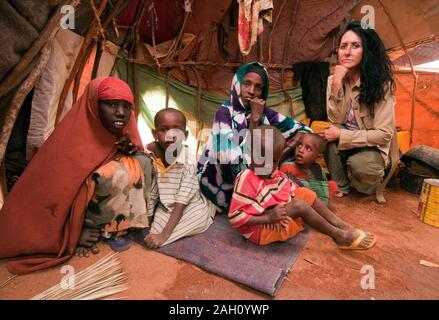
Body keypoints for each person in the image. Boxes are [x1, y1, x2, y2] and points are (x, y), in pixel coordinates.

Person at [0, 77, 151, 274]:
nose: (121, 113)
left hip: (99, 213)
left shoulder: (122, 139)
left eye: (126, 106)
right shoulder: (68, 143)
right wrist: (75, 232)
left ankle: (116, 228)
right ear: (93, 104)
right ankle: (86, 228)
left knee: (142, 162)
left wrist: (128, 150)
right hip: (72, 222)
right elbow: (52, 199)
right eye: (111, 104)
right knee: (112, 173)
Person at [229, 125, 376, 249]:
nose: (267, 166)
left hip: (273, 217)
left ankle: (342, 225)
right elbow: (235, 218)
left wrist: (287, 203)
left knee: (305, 193)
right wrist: (268, 217)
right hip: (259, 230)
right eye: (262, 160)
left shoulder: (274, 173)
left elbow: (288, 190)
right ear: (251, 154)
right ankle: (339, 235)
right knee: (299, 205)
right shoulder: (246, 178)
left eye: (273, 161)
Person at [198, 62, 311, 212]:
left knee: (293, 179)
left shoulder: (264, 111)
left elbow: (303, 130)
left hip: (258, 174)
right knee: (287, 193)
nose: (251, 91)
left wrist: (280, 156)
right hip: (225, 182)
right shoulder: (225, 113)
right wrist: (254, 121)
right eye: (246, 84)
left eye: (258, 87)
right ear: (237, 84)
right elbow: (232, 160)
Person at [320, 22, 397, 197]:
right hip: (348, 138)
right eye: (343, 46)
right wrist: (337, 84)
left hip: (373, 146)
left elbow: (384, 134)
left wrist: (343, 135)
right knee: (326, 137)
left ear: (366, 51)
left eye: (355, 46)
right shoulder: (334, 79)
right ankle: (341, 185)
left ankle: (370, 176)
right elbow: (336, 119)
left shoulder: (381, 84)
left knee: (360, 168)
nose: (347, 52)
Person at [144, 108, 216, 249]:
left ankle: (207, 215)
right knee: (153, 232)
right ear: (154, 134)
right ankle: (162, 233)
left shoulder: (190, 162)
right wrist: (147, 221)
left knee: (198, 220)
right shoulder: (152, 157)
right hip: (165, 206)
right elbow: (153, 194)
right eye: (163, 130)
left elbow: (181, 203)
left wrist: (164, 236)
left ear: (186, 135)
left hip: (189, 205)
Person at [280, 133, 338, 204]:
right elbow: (281, 189)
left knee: (333, 185)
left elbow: (322, 185)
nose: (300, 150)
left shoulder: (318, 169)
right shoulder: (287, 166)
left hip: (313, 199)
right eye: (299, 145)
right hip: (295, 199)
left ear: (318, 157)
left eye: (308, 148)